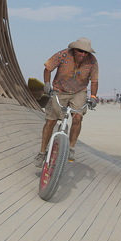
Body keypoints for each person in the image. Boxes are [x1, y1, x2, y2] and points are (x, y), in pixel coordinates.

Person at [34, 38, 98, 167]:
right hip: (59, 90)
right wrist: (47, 83)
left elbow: (94, 81)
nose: (83, 54)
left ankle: (71, 149)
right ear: (74, 49)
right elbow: (48, 68)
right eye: (80, 51)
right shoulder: (63, 54)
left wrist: (93, 96)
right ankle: (42, 152)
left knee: (78, 117)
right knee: (51, 121)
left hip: (79, 92)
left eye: (85, 52)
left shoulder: (92, 61)